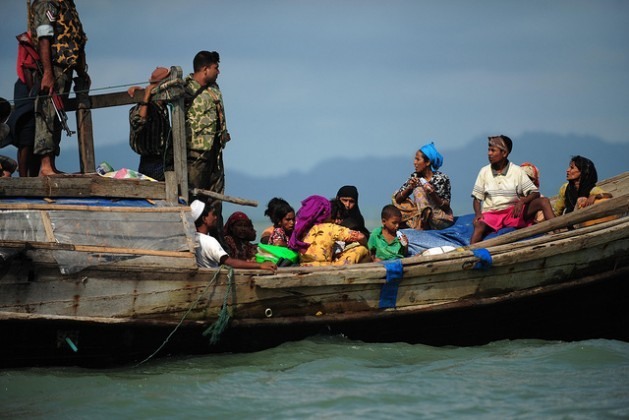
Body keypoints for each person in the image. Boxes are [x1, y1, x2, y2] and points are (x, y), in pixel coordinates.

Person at [31, 0, 89, 176]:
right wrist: (48, 72)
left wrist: (82, 71)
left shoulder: (68, 4)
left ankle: (52, 165)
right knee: (47, 113)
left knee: (58, 117)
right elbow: (44, 36)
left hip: (66, 67)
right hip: (53, 67)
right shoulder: (47, 2)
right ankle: (46, 166)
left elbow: (77, 39)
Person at [470, 135, 555, 244]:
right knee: (479, 226)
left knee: (544, 201)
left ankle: (558, 231)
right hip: (492, 214)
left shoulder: (517, 171)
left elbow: (534, 193)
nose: (489, 153)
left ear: (504, 153)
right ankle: (470, 254)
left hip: (512, 212)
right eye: (488, 150)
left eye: (493, 150)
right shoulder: (484, 171)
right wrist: (478, 214)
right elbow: (477, 199)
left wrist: (522, 201)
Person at [184, 50, 230, 241]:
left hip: (215, 154)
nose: (218, 72)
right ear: (204, 69)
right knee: (194, 200)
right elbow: (159, 94)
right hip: (195, 155)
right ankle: (192, 239)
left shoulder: (214, 88)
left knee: (216, 200)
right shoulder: (185, 88)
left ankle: (216, 240)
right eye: (215, 68)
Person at [191, 200, 276, 271]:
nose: (216, 218)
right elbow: (229, 262)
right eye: (213, 215)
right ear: (204, 219)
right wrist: (260, 265)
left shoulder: (193, 238)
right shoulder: (209, 241)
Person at [288, 195, 370, 266]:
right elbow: (360, 237)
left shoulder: (299, 229)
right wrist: (365, 245)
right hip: (325, 269)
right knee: (362, 249)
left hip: (305, 267)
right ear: (324, 212)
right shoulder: (330, 227)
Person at [393, 142, 454, 230]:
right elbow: (397, 199)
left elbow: (446, 206)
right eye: (414, 159)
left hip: (439, 218)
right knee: (395, 194)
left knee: (418, 190)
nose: (414, 163)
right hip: (421, 215)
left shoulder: (441, 179)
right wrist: (410, 188)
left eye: (418, 159)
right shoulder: (415, 177)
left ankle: (423, 223)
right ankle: (421, 219)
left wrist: (433, 194)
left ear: (428, 162)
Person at [4, 32, 40, 176]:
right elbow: (25, 66)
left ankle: (31, 176)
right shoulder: (30, 39)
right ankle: (24, 177)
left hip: (31, 89)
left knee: (35, 139)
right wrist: (33, 93)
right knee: (27, 137)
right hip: (28, 90)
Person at [127, 67, 173, 181]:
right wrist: (145, 96)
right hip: (151, 162)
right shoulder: (147, 107)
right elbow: (138, 122)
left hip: (164, 159)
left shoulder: (163, 107)